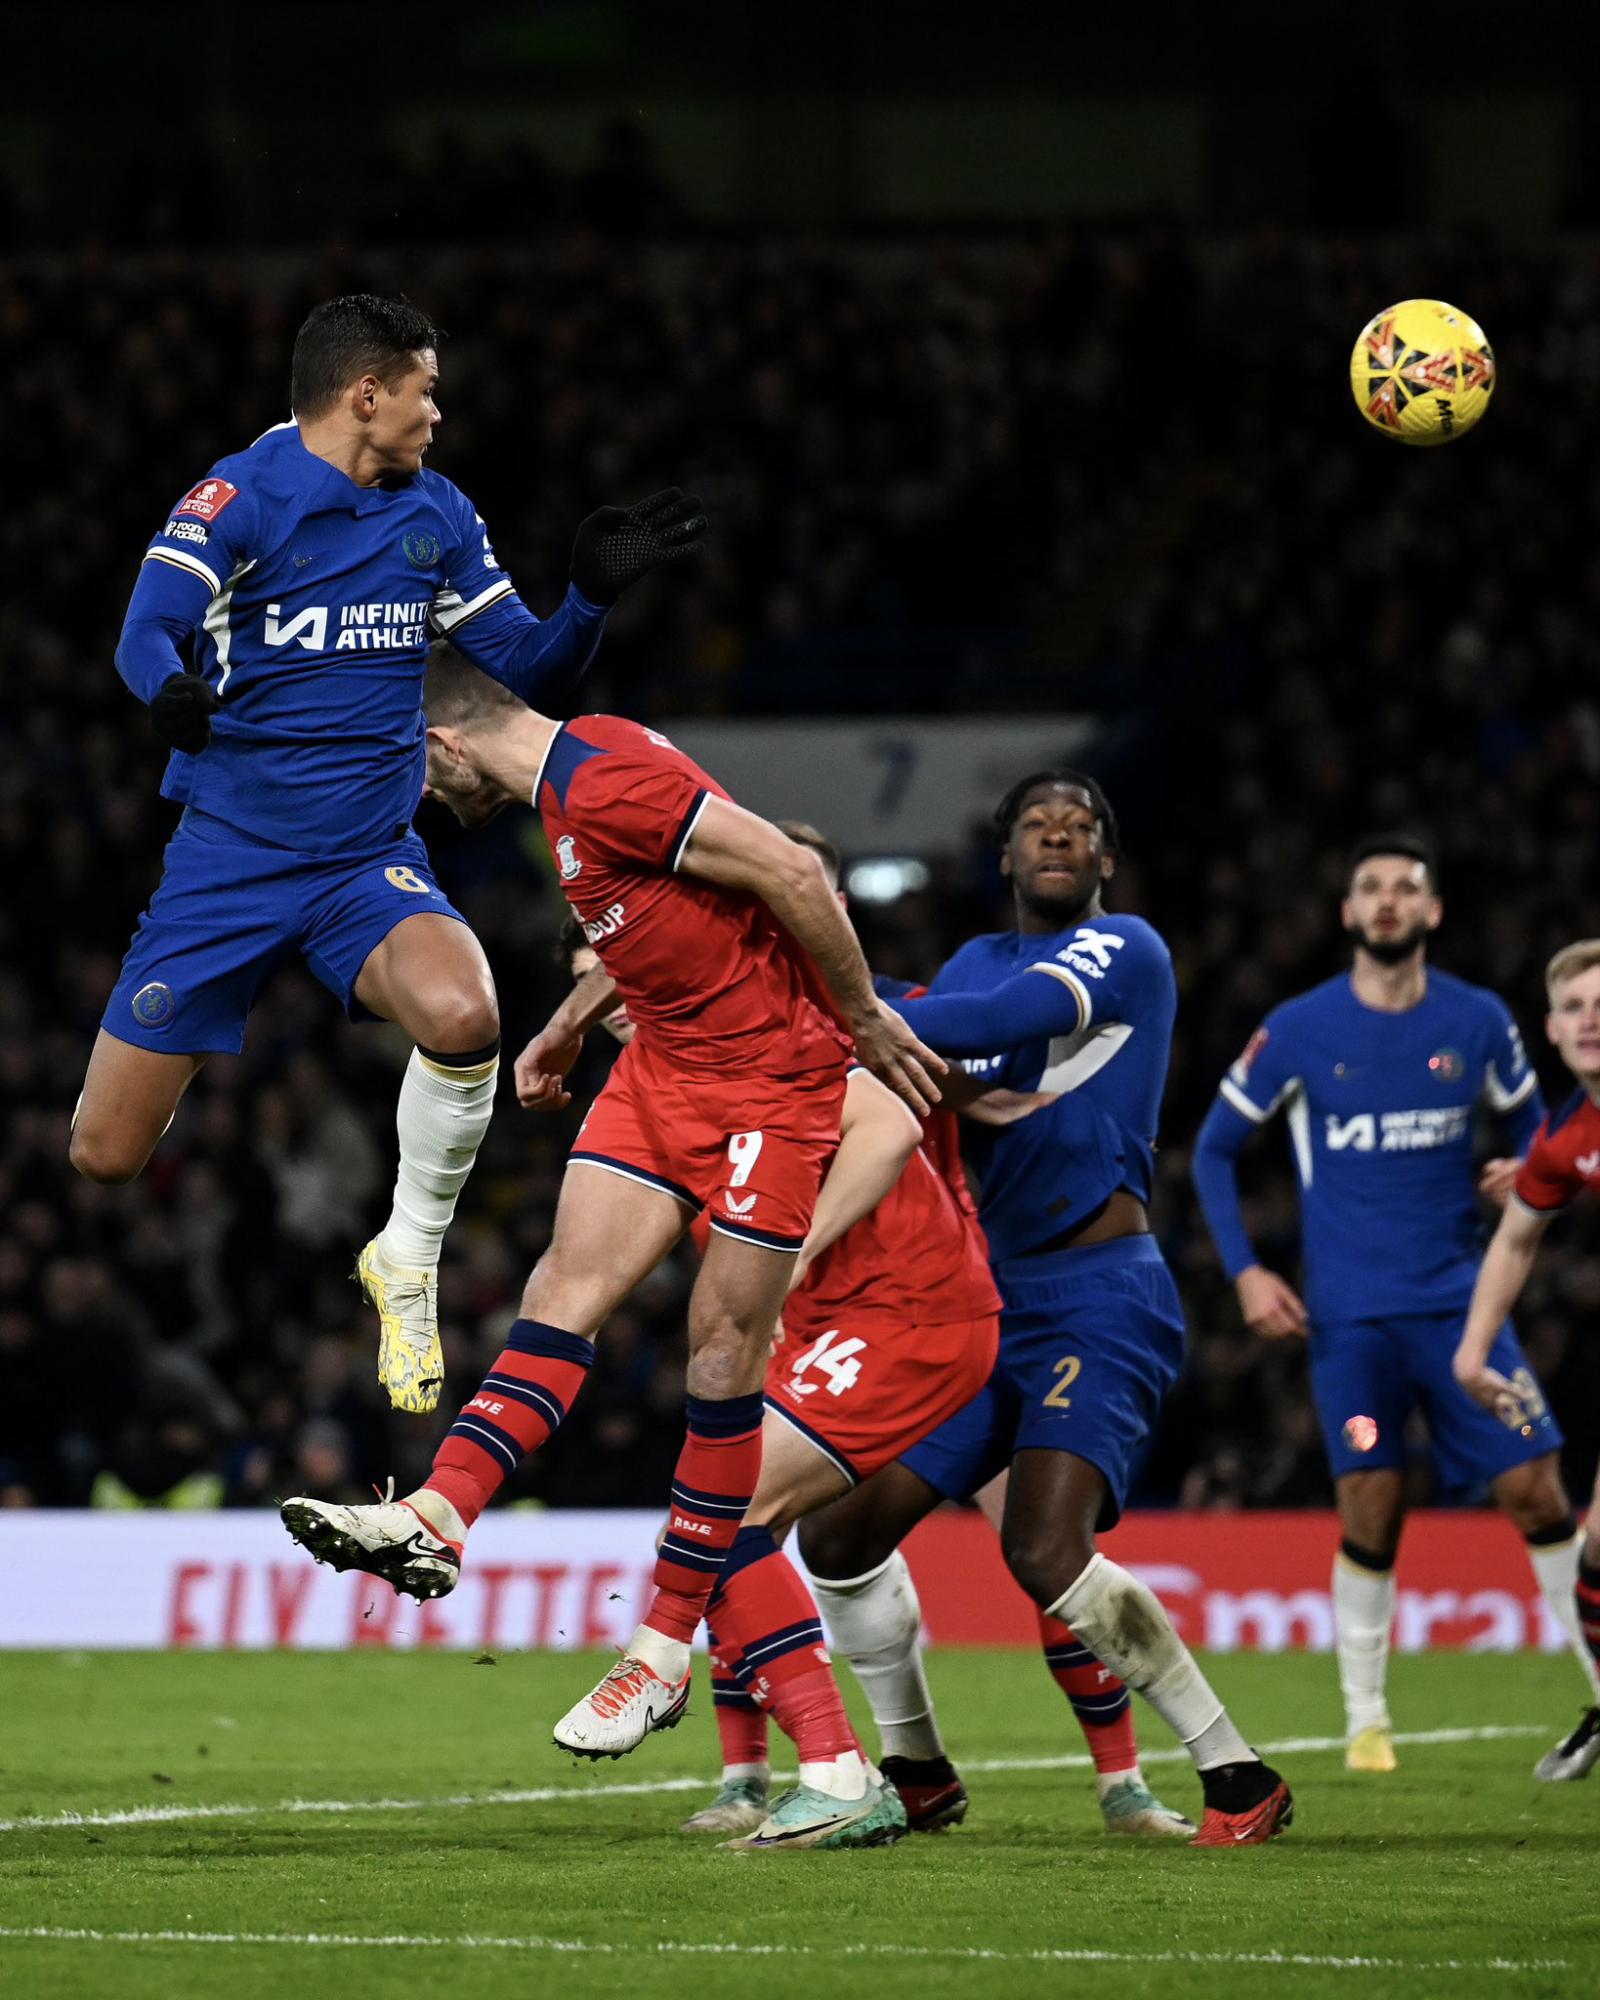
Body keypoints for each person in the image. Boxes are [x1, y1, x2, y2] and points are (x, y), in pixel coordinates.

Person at [280, 647, 941, 1840]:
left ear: (445, 745)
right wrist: (568, 1021)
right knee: (561, 1284)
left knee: (719, 1350)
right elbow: (651, 929)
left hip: (770, 1087)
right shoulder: (561, 806)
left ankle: (659, 1647)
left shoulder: (605, 777)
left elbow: (789, 867)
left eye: (419, 777)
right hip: (663, 1071)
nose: (427, 801)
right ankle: (439, 1514)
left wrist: (858, 1017)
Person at [71, 292, 706, 1417]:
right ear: (366, 391)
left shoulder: (438, 512)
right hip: (231, 857)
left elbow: (528, 667)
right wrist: (166, 691)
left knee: (465, 1013)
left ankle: (404, 1258)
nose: (438, 412)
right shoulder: (240, 496)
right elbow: (146, 627)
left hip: (367, 854)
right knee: (104, 1154)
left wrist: (591, 602)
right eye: (425, 388)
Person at [797, 770, 1292, 1846]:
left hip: (1099, 1296)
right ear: (1006, 854)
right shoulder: (973, 957)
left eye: (1080, 825)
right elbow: (926, 1058)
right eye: (1035, 824)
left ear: (1105, 859)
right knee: (836, 1531)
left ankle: (1237, 1773)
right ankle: (916, 1766)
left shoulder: (1129, 949)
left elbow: (989, 1021)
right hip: (982, 1305)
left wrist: (835, 988)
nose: (1058, 834)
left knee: (1042, 1547)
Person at [1192, 835, 1597, 1777]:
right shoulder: (1297, 1027)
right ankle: (1365, 1722)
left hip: (1465, 1310)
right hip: (1352, 1321)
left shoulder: (1480, 1020)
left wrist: (1525, 1172)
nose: (1386, 902)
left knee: (1538, 1490)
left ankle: (1599, 1698)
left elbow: (1549, 1129)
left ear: (1433, 911)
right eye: (1369, 886)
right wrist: (1247, 1271)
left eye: (1405, 888)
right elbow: (1213, 1150)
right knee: (1371, 1505)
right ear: (1346, 913)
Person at [1453, 939, 1600, 1780]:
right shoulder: (1569, 1135)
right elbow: (1515, 1239)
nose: (1592, 1021)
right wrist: (1473, 1354)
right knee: (1596, 1560)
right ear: (1551, 1029)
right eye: (1576, 1007)